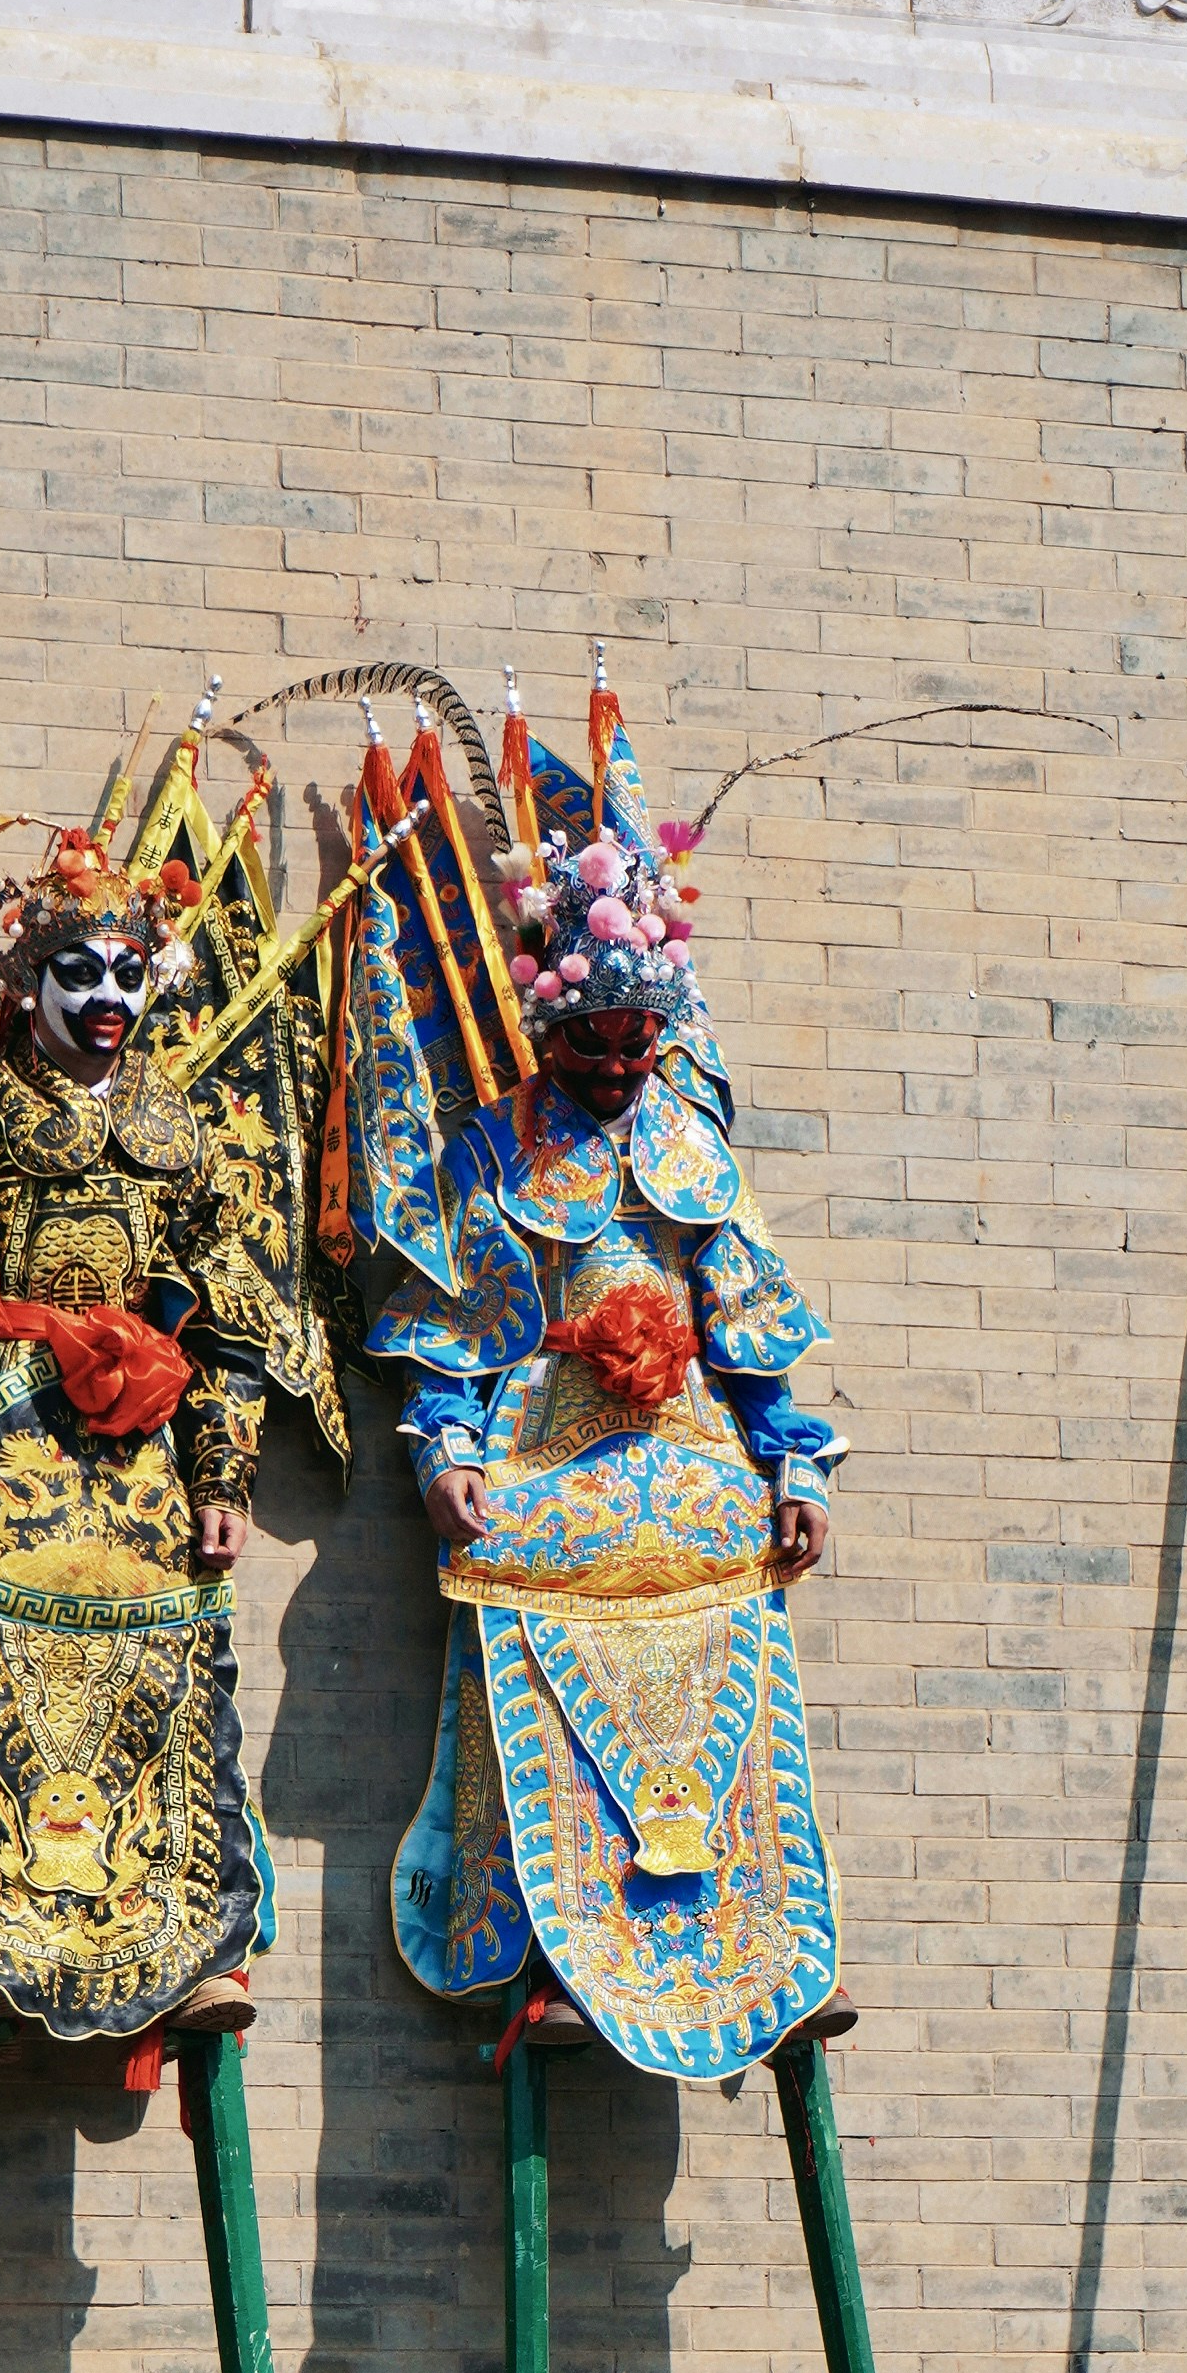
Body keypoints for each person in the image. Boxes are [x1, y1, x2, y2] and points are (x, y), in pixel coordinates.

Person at [369, 669, 850, 2079]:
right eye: (598, 1041)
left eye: (645, 1041)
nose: (624, 1065)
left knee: (734, 1694)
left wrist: (794, 1457)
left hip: (695, 1472)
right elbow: (456, 1325)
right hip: (550, 1465)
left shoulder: (691, 1138)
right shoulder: (494, 1150)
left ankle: (750, 1936)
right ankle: (552, 1941)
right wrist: (444, 1450)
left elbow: (749, 1323)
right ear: (551, 1027)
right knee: (541, 1682)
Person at [0, 802, 316, 2065]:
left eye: (128, 973)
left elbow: (237, 1317)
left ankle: (186, 1949)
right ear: (25, 979)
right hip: (2, 1444)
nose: (105, 995)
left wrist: (224, 1471)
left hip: (143, 1463)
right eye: (77, 971)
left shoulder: (180, 1133)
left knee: (165, 1684)